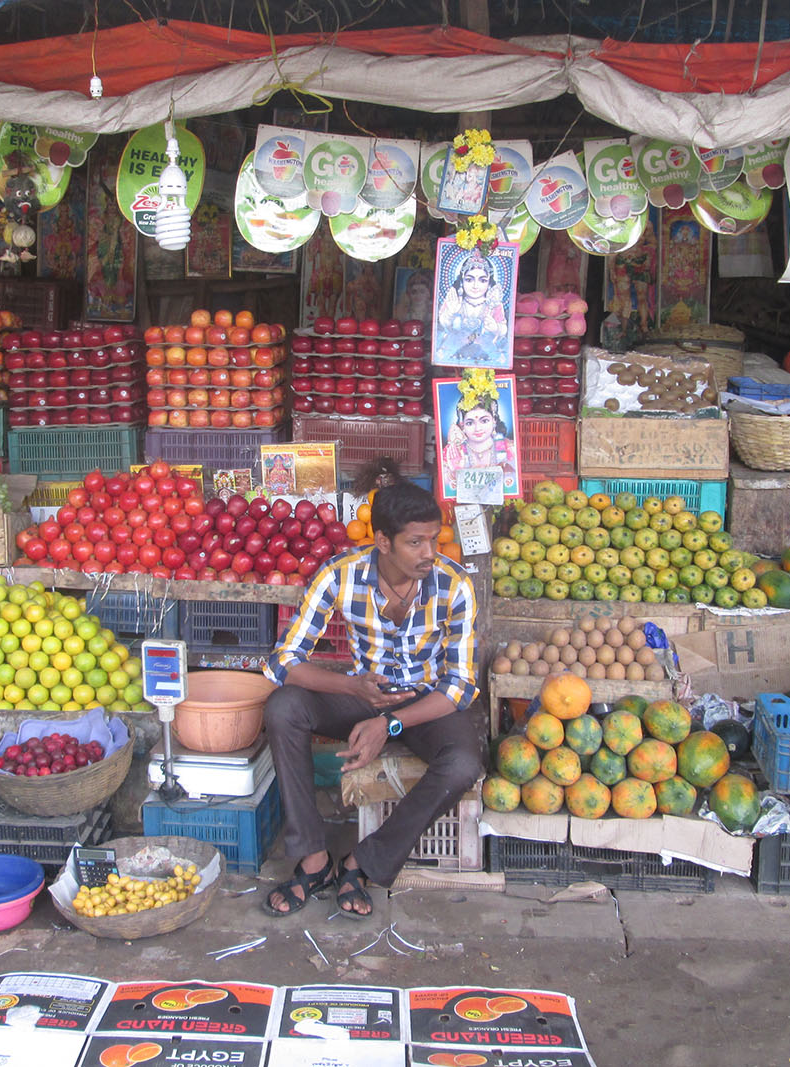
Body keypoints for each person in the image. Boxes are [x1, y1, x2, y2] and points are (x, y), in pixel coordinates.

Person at [260, 476, 483, 921]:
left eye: (433, 540)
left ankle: (363, 862)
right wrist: (350, 687)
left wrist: (391, 724)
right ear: (382, 540)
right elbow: (283, 661)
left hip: (425, 702)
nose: (429, 553)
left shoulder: (454, 585)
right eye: (415, 542)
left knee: (464, 763)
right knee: (284, 706)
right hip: (363, 692)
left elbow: (458, 686)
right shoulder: (340, 575)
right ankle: (313, 858)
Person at [441, 368, 518, 497]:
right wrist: (455, 471)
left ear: (494, 421)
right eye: (470, 423)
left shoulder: (509, 448)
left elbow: (512, 481)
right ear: (462, 426)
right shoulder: (452, 452)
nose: (478, 428)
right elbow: (448, 487)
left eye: (484, 421)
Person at [435, 250, 508, 365]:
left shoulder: (494, 305)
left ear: (489, 284)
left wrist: (495, 327)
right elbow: (443, 324)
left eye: (482, 280)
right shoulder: (455, 301)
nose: (475, 286)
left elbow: (504, 329)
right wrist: (450, 313)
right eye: (469, 279)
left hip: (485, 351)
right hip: (454, 350)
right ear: (462, 281)